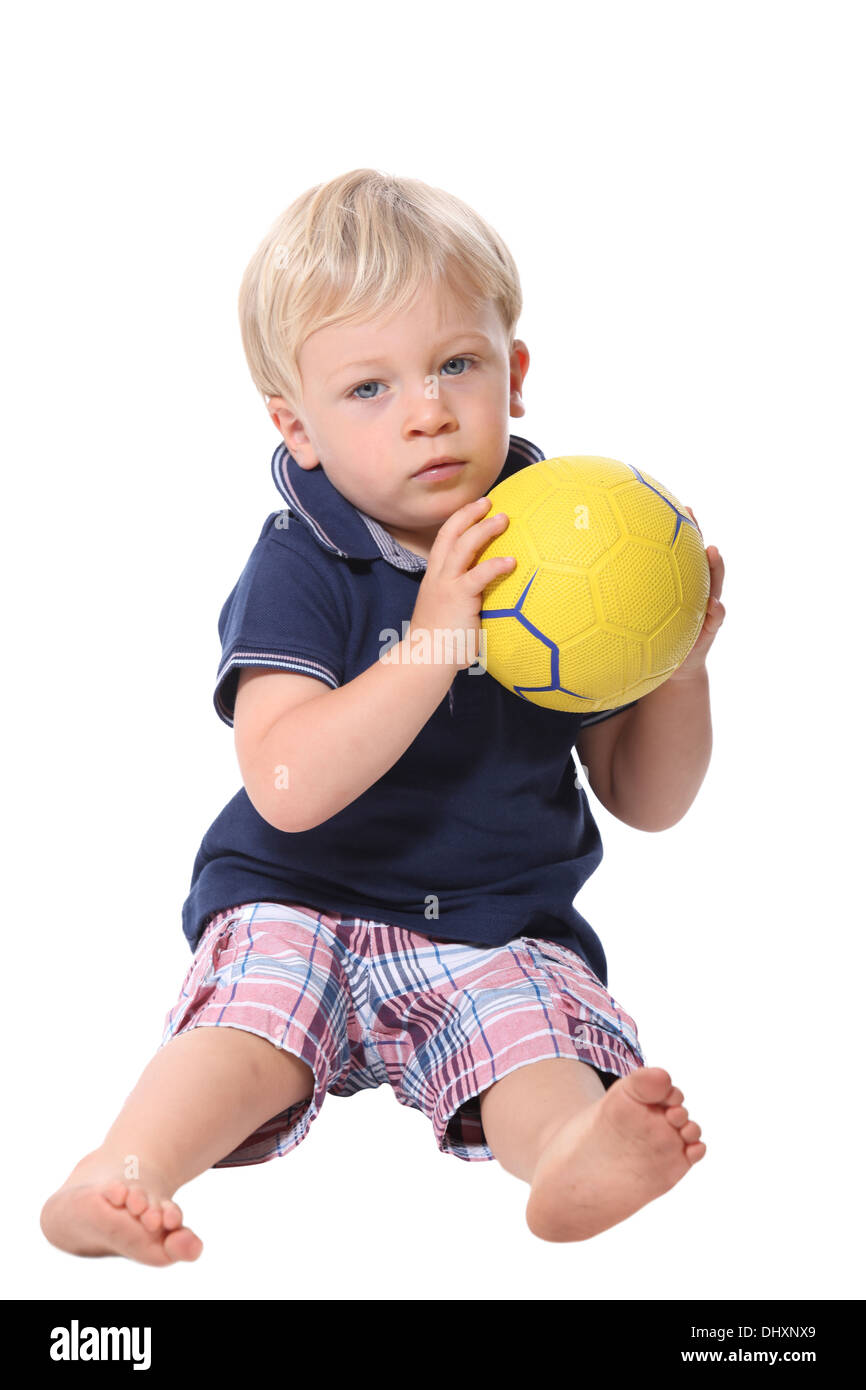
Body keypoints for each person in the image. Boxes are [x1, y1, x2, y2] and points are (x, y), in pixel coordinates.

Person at [41, 169, 725, 1264]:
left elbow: (646, 799)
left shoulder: (564, 549)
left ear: (514, 373)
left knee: (527, 1028)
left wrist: (677, 673)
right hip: (299, 899)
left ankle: (564, 1156)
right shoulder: (300, 564)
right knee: (243, 1026)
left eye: (456, 364)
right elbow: (287, 784)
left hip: (490, 920)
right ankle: (115, 1176)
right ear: (295, 426)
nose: (427, 410)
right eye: (369, 387)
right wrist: (438, 637)